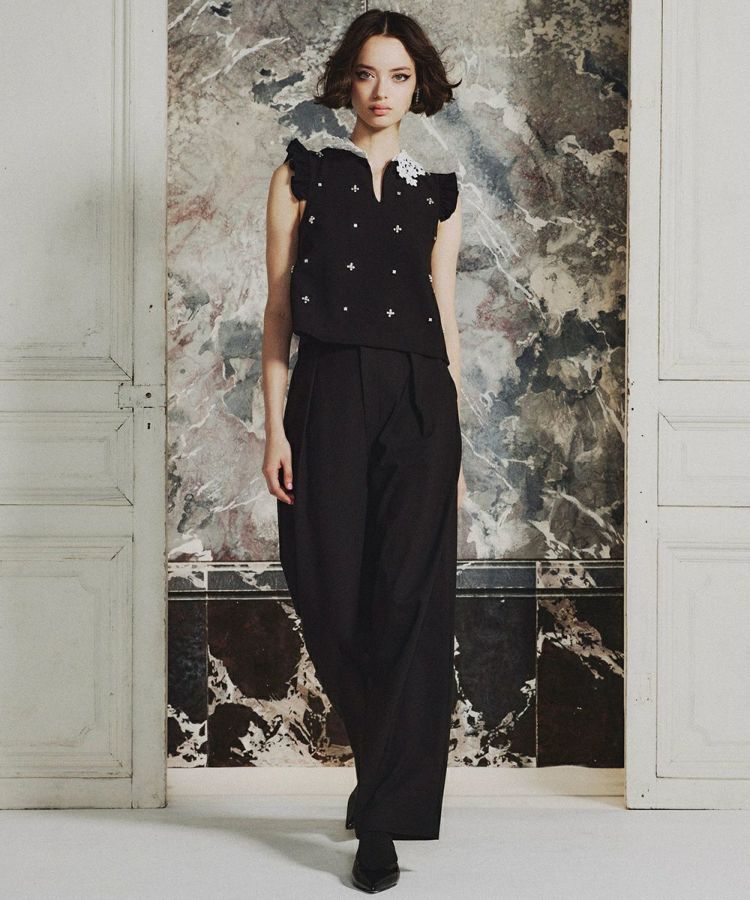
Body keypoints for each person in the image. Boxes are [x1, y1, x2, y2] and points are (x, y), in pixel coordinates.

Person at [262, 8, 464, 893]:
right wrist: (275, 426)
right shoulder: (302, 174)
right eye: (369, 73)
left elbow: (444, 316)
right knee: (332, 590)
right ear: (347, 79)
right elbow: (277, 312)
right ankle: (379, 773)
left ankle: (381, 816)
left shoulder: (438, 192)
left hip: (420, 402)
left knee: (410, 603)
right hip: (329, 394)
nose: (384, 91)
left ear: (420, 88)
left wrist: (458, 441)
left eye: (401, 76)